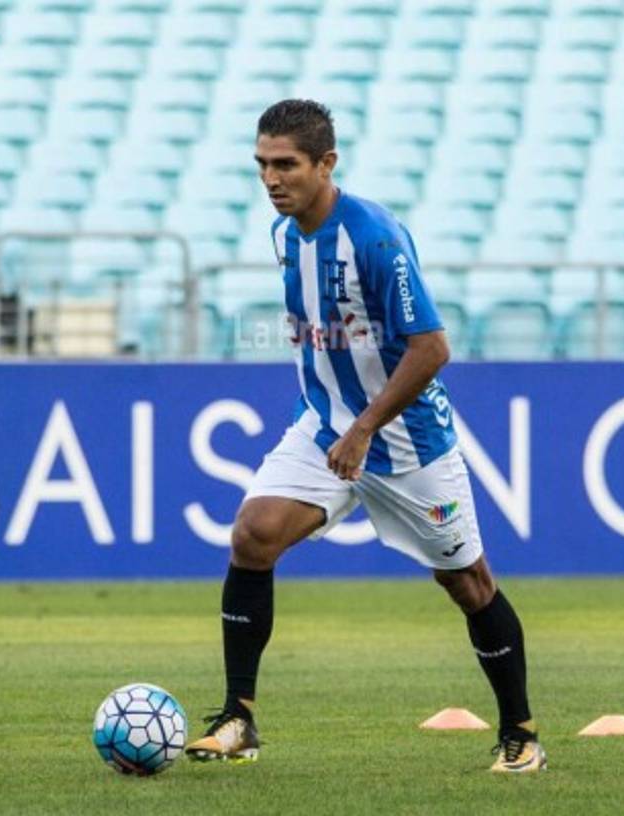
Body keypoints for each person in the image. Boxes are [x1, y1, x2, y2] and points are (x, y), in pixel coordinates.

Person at [184, 99, 545, 774]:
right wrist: (337, 414)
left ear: (326, 164)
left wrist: (365, 426)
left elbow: (432, 347)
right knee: (253, 535)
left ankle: (521, 733)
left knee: (468, 584)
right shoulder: (284, 234)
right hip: (325, 427)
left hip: (403, 443)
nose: (271, 179)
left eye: (286, 164)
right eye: (261, 165)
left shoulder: (374, 238)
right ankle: (239, 718)